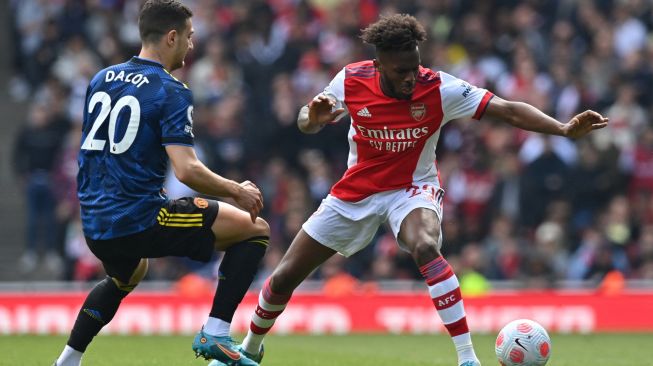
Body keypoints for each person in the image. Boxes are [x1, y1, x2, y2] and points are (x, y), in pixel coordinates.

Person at [234, 14, 608, 366]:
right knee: (284, 277)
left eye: (415, 67)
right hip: (357, 190)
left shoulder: (439, 87)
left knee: (426, 245)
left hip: (413, 188)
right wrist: (311, 118)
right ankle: (250, 349)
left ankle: (466, 357)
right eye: (401, 71)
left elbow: (507, 109)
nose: (412, 77)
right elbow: (306, 120)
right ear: (379, 65)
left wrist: (562, 129)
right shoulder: (350, 81)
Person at [54, 1, 267, 366]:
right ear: (172, 37)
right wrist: (237, 189)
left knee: (128, 274)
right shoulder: (171, 90)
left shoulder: (101, 78)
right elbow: (186, 170)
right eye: (189, 36)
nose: (191, 45)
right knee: (254, 229)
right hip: (138, 219)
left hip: (93, 222)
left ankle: (67, 360)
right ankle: (215, 331)